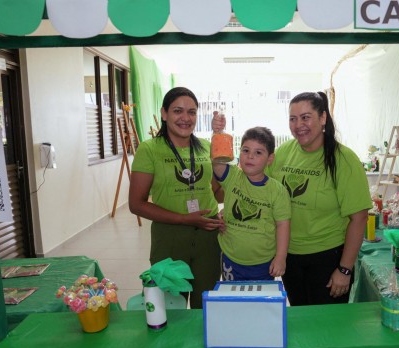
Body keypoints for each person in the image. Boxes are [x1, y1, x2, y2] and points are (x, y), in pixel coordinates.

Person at [267, 92, 371, 308]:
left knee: (328, 328)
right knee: (301, 320)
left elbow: (359, 218)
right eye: (293, 119)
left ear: (323, 118)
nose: (298, 125)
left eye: (305, 117)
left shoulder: (344, 160)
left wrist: (345, 269)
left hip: (327, 258)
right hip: (291, 258)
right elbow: (262, 189)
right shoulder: (284, 152)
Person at [129, 87, 223, 309]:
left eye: (191, 112)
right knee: (170, 307)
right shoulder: (149, 149)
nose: (185, 118)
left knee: (205, 306)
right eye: (178, 111)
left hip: (208, 238)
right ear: (164, 113)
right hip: (169, 239)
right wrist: (184, 219)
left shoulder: (206, 149)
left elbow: (217, 192)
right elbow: (136, 204)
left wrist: (246, 186)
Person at [210, 124, 291, 281]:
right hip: (230, 258)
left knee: (259, 304)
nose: (250, 156)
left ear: (270, 159)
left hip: (263, 263)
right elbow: (217, 162)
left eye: (258, 152)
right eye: (245, 150)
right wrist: (218, 133)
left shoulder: (277, 191)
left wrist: (281, 257)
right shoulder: (232, 176)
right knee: (234, 302)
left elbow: (283, 225)